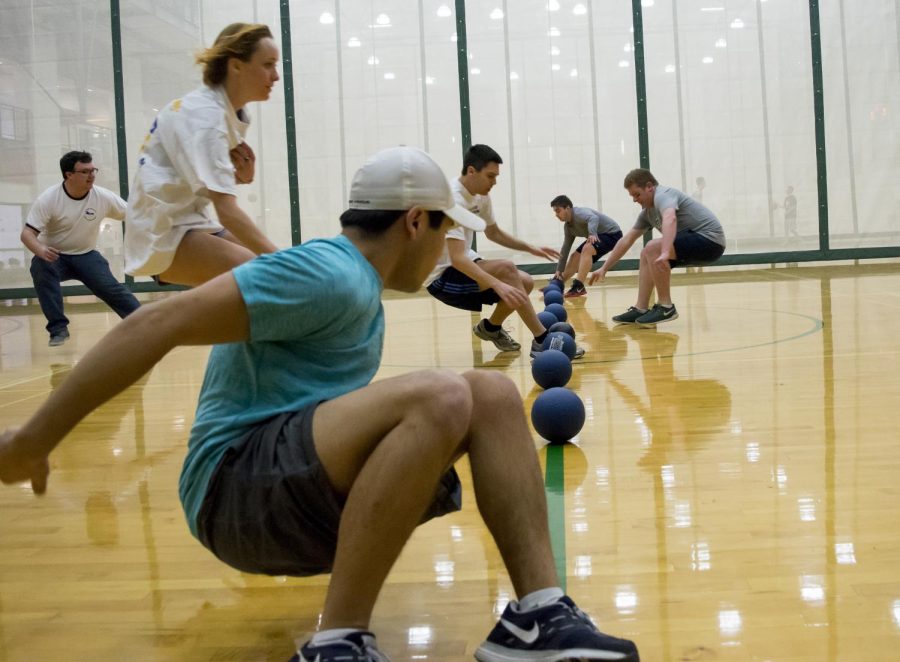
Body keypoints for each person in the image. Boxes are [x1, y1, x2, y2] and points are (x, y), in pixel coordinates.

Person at [0, 146, 638, 662]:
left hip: (286, 481)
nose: (448, 245)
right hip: (233, 491)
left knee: (494, 394)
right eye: (445, 227)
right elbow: (149, 327)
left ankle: (537, 615)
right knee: (442, 394)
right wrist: (35, 437)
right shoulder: (326, 271)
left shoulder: (354, 280)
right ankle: (337, 643)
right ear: (416, 221)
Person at [124, 22, 280, 287]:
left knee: (264, 275)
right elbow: (227, 212)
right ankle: (157, 326)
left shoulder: (228, 112)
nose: (275, 76)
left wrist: (237, 176)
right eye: (268, 64)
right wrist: (290, 263)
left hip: (191, 219)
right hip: (162, 232)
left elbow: (199, 175)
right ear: (236, 66)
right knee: (265, 276)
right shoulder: (206, 117)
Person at [426, 144, 583, 358]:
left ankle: (490, 328)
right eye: (490, 176)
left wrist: (530, 247)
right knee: (508, 271)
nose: (494, 182)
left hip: (464, 264)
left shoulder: (480, 195)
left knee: (525, 281)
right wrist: (498, 284)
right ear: (471, 171)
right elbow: (457, 259)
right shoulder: (454, 200)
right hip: (442, 277)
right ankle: (541, 339)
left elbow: (494, 233)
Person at [21, 151, 141, 346]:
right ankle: (58, 329)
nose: (92, 175)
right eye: (85, 171)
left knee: (112, 290)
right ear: (69, 175)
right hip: (55, 256)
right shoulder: (49, 199)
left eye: (93, 170)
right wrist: (41, 250)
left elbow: (135, 215)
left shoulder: (103, 196)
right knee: (40, 267)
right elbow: (27, 234)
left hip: (87, 256)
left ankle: (143, 322)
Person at [588, 168, 725, 327]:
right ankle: (641, 308)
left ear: (649, 186)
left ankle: (666, 307)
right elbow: (627, 240)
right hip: (693, 241)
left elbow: (670, 218)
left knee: (653, 247)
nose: (634, 200)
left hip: (711, 240)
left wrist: (665, 250)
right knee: (646, 253)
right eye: (632, 196)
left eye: (637, 194)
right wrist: (604, 268)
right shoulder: (647, 213)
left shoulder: (663, 195)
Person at [549, 195, 622, 299]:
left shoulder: (578, 213)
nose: (556, 214)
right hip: (598, 237)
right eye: (555, 212)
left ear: (568, 208)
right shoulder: (568, 227)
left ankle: (579, 287)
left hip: (612, 234)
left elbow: (593, 217)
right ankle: (557, 284)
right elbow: (565, 248)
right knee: (575, 256)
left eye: (558, 210)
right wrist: (559, 270)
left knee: (587, 248)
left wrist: (592, 233)